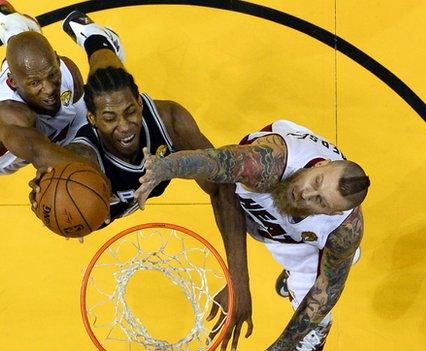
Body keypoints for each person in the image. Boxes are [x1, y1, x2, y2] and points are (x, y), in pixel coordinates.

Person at [27, 11, 255, 349]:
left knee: (110, 79)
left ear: (140, 103)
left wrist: (239, 280)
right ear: (92, 120)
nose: (125, 126)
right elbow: (48, 169)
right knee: (27, 124)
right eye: (108, 119)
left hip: (139, 136)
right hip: (65, 136)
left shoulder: (169, 120)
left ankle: (95, 39)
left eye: (131, 111)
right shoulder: (83, 163)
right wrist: (44, 196)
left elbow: (222, 186)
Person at [135, 120, 370, 350]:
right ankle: (325, 259)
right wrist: (165, 168)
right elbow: (213, 162)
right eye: (316, 182)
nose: (305, 193)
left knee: (319, 296)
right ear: (321, 165)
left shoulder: (344, 229)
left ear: (333, 211)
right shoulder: (268, 163)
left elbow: (326, 293)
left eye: (320, 200)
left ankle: (321, 267)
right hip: (265, 196)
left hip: (298, 244)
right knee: (238, 189)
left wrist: (281, 347)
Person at [0, 1, 122, 178]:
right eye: (35, 84)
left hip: (18, 86)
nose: (49, 89)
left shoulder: (65, 71)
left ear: (57, 61)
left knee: (29, 63)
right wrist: (109, 180)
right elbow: (41, 154)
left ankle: (6, 28)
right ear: (12, 81)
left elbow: (87, 121)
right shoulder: (8, 115)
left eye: (52, 75)